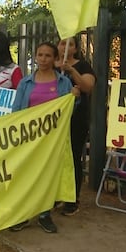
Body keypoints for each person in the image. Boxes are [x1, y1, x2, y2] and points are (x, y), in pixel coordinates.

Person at [9, 42, 79, 234]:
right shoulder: (25, 83)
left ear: (55, 58)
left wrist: (74, 97)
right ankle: (23, 214)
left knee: (48, 176)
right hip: (30, 138)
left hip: (53, 139)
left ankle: (44, 214)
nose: (43, 59)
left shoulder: (63, 82)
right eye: (40, 55)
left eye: (48, 55)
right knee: (27, 175)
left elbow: (68, 111)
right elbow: (17, 111)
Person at [55, 36, 95, 216]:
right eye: (62, 43)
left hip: (75, 119)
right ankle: (55, 195)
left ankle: (72, 199)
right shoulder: (51, 65)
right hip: (53, 119)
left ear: (76, 48)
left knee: (72, 157)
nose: (65, 47)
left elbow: (87, 86)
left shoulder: (83, 66)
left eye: (70, 44)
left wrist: (71, 71)